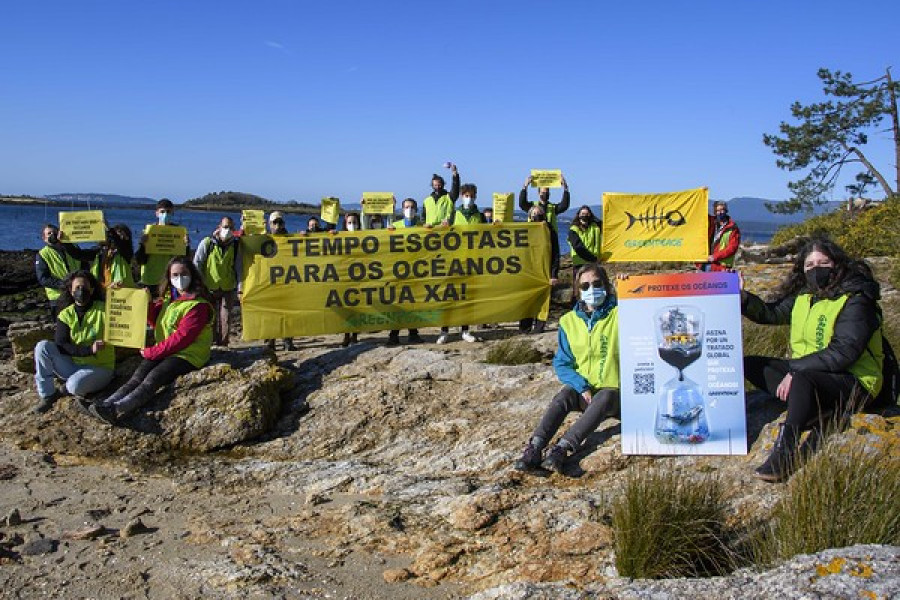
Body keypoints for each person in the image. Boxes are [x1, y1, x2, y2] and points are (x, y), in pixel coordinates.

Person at [741, 236, 885, 482]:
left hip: (857, 382)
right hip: (809, 374)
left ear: (837, 264)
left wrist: (795, 370)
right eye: (809, 265)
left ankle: (785, 448)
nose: (816, 269)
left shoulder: (856, 299)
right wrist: (743, 298)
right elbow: (770, 313)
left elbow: (845, 352)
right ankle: (817, 407)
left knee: (804, 379)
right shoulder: (805, 298)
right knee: (750, 364)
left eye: (823, 262)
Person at [515, 264, 620, 473]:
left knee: (606, 396)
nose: (592, 289)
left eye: (597, 284)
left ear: (606, 286)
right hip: (587, 392)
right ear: (578, 291)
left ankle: (561, 449)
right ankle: (534, 447)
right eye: (585, 286)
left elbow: (646, 310)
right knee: (563, 396)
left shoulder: (621, 312)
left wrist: (626, 289)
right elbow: (562, 363)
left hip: (616, 395)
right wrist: (581, 386)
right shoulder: (568, 321)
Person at [86, 257, 213, 425]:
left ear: (193, 275)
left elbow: (182, 338)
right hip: (167, 351)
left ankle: (117, 409)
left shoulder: (198, 305)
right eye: (175, 274)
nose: (179, 278)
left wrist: (152, 351)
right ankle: (106, 403)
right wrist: (129, 293)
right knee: (137, 375)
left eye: (184, 274)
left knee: (154, 377)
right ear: (168, 277)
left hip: (188, 354)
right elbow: (154, 319)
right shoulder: (170, 300)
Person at [33, 271, 115, 413]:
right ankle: (47, 395)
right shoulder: (66, 314)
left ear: (92, 290)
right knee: (43, 346)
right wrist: (89, 350)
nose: (81, 291)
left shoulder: (104, 309)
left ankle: (66, 387)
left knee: (74, 386)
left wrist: (117, 294)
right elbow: (61, 344)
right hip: (74, 365)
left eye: (84, 287)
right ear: (71, 291)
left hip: (100, 367)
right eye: (77, 288)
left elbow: (126, 316)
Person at [435, 183, 484, 344]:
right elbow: (442, 231)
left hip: (472, 262)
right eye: (465, 195)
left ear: (475, 197)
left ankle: (465, 330)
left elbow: (488, 234)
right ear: (462, 196)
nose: (468, 198)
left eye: (471, 196)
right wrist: (440, 227)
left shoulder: (480, 216)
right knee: (449, 297)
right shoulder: (454, 214)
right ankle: (444, 331)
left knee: (466, 298)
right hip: (454, 261)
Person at [193, 216, 242, 347]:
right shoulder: (207, 243)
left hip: (227, 287)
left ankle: (223, 344)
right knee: (209, 319)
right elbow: (197, 263)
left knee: (226, 318)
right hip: (209, 287)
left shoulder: (236, 246)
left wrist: (240, 287)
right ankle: (211, 345)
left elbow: (239, 268)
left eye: (231, 227)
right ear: (219, 227)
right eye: (225, 227)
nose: (228, 230)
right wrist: (197, 285)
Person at [386, 198, 424, 346]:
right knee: (399, 303)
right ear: (402, 210)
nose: (410, 209)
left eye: (412, 207)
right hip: (398, 271)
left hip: (416, 271)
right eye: (407, 207)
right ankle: (393, 334)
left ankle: (413, 333)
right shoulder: (395, 226)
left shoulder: (421, 226)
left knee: (413, 303)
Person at [135, 198, 191, 296]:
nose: (165, 214)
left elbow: (184, 259)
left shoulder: (179, 233)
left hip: (169, 280)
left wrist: (186, 245)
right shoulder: (149, 232)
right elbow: (140, 260)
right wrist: (142, 245)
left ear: (172, 213)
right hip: (150, 280)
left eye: (168, 212)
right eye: (162, 212)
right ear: (156, 213)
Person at [519, 205, 560, 334]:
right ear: (530, 216)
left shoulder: (550, 231)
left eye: (539, 213)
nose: (537, 215)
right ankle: (525, 327)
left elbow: (555, 253)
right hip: (529, 271)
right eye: (534, 213)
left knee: (543, 300)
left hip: (545, 270)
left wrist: (554, 274)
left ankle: (539, 327)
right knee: (527, 299)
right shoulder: (525, 230)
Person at [35, 224, 84, 317]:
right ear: (44, 238)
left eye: (54, 232)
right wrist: (64, 285)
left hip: (77, 294)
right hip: (58, 297)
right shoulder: (43, 254)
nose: (52, 234)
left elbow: (84, 266)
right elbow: (43, 278)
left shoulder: (73, 247)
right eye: (49, 233)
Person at [264, 211, 296, 351]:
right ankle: (270, 342)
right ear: (269, 224)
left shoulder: (291, 239)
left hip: (287, 282)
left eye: (280, 222)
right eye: (274, 222)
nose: (278, 225)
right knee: (270, 314)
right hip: (269, 283)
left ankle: (288, 341)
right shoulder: (262, 240)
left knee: (288, 314)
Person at [567, 205, 603, 295]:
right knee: (579, 289)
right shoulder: (573, 230)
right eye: (582, 213)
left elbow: (606, 224)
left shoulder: (595, 227)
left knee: (594, 287)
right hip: (580, 264)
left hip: (593, 264)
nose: (585, 215)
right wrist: (593, 258)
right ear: (578, 215)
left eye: (587, 214)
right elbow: (578, 247)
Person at [91, 224, 135, 289]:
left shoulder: (126, 252)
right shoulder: (102, 252)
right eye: (118, 233)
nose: (121, 236)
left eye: (123, 235)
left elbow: (119, 243)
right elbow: (78, 254)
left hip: (121, 291)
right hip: (103, 289)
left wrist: (108, 228)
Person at [700, 200, 740, 271]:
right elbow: (699, 214)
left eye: (722, 210)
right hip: (703, 264)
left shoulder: (733, 228)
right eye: (717, 210)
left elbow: (732, 248)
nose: (720, 212)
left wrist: (715, 257)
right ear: (715, 212)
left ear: (726, 211)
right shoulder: (710, 222)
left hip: (720, 267)